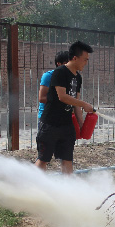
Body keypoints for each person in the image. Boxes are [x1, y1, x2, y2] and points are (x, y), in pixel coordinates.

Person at [35, 41, 94, 174]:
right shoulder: (60, 72)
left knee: (67, 159)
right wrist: (84, 104)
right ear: (75, 58)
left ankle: (69, 186)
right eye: (85, 59)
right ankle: (33, 184)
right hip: (50, 123)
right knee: (43, 158)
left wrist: (81, 125)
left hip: (67, 124)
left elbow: (75, 102)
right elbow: (62, 97)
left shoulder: (78, 77)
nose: (86, 63)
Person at [37, 51, 69, 122]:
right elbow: (42, 98)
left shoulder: (71, 77)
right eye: (66, 63)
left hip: (64, 117)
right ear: (58, 63)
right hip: (48, 117)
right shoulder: (48, 76)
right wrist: (62, 101)